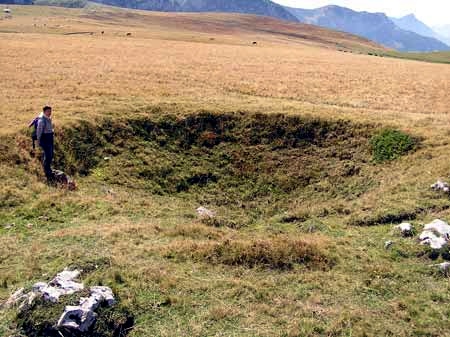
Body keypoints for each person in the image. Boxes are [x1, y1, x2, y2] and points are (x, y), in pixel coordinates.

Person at [36, 106, 55, 182]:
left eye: (50, 111)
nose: (50, 113)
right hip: (45, 139)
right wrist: (38, 140)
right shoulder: (42, 120)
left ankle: (48, 169)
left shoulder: (48, 118)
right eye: (48, 111)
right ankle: (46, 170)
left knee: (50, 155)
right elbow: (39, 131)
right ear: (44, 112)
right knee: (48, 155)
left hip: (49, 138)